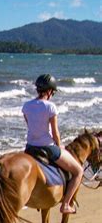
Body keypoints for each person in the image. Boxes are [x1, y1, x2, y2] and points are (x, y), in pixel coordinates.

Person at [22, 74, 83, 214]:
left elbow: (30, 126)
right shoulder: (50, 107)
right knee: (78, 171)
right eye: (53, 92)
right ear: (49, 91)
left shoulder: (26, 106)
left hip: (30, 148)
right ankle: (66, 204)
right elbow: (55, 132)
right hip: (48, 148)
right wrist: (59, 145)